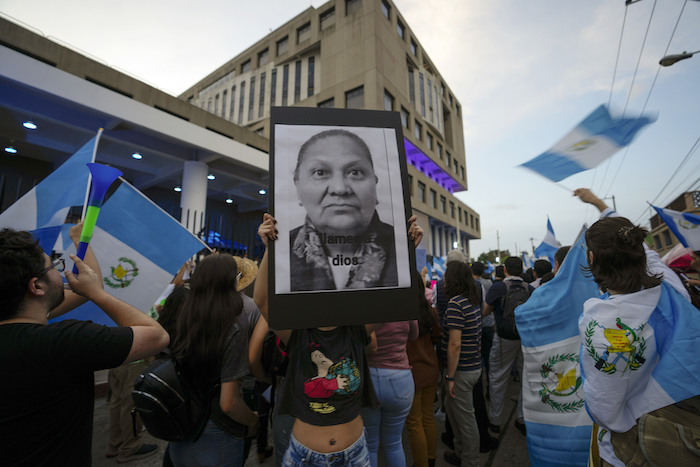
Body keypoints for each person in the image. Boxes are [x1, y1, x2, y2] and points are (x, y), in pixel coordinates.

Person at [255, 213, 423, 466]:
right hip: (303, 457)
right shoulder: (299, 335)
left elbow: (396, 302)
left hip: (354, 455)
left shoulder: (356, 332)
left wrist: (406, 248)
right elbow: (262, 301)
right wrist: (271, 248)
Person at [0, 226, 169, 466]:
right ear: (36, 286)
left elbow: (84, 289)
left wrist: (82, 241)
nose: (60, 273)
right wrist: (99, 294)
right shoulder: (65, 342)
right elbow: (157, 336)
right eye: (54, 267)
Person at [574, 189, 700, 467]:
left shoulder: (600, 323)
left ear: (592, 259)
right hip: (680, 433)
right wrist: (599, 204)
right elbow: (648, 254)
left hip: (630, 452)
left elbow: (604, 408)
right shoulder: (671, 285)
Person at [168, 254, 259, 467]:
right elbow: (229, 403)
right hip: (217, 430)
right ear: (229, 282)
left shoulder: (184, 318)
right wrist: (253, 420)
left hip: (183, 419)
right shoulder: (234, 327)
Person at [289, 129, 397, 291]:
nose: (339, 189)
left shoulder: (400, 248)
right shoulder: (281, 250)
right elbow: (265, 308)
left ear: (375, 184)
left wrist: (410, 247)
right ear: (298, 186)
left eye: (355, 172)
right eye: (320, 172)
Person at [361, 308, 418, 466]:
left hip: (369, 378)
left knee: (370, 444)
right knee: (394, 443)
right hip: (400, 379)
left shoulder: (364, 307)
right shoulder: (403, 305)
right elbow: (414, 335)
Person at [484, 256, 534, 435]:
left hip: (503, 338)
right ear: (521, 270)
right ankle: (521, 417)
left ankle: (495, 419)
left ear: (504, 270)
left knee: (498, 376)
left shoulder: (498, 288)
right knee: (525, 378)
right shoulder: (531, 289)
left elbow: (486, 311)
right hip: (525, 339)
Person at [443, 261, 483, 467]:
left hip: (461, 371)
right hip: (474, 365)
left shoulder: (456, 304)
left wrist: (450, 376)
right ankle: (460, 453)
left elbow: (455, 344)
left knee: (466, 421)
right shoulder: (472, 299)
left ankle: (471, 461)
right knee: (456, 414)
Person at [406, 276, 441, 467]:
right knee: (428, 417)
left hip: (412, 373)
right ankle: (431, 458)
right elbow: (438, 337)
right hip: (431, 369)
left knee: (414, 422)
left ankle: (421, 463)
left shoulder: (402, 315)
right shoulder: (431, 312)